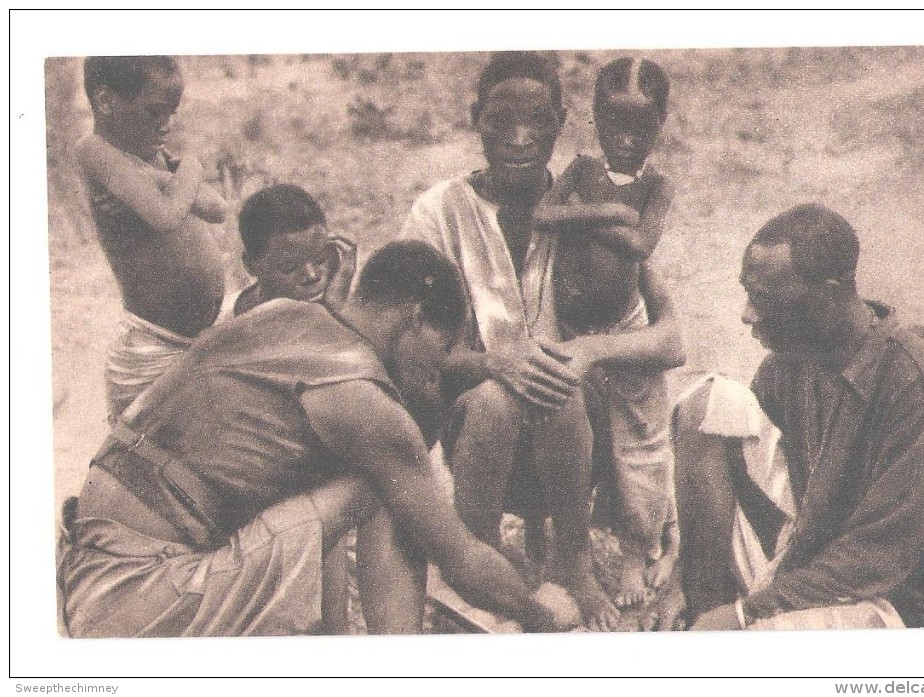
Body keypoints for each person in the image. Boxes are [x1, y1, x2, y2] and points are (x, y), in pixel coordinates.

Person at [58, 240, 579, 637]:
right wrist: (543, 612)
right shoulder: (361, 398)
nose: (435, 372)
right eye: (440, 349)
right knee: (382, 485)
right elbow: (462, 561)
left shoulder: (284, 314)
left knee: (365, 476)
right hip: (142, 598)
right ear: (415, 319)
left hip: (92, 569)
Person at [401, 51, 685, 630]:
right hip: (479, 429)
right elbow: (407, 350)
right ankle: (475, 560)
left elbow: (672, 338)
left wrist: (589, 351)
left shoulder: (586, 206)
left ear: (561, 121)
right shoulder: (439, 213)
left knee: (558, 385)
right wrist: (493, 362)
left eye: (537, 121)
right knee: (496, 397)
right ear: (474, 117)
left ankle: (570, 565)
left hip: (582, 435)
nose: (520, 138)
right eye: (501, 121)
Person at [677, 204, 924, 631]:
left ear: (830, 296)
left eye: (765, 298)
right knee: (707, 405)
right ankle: (700, 605)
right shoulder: (792, 357)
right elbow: (778, 481)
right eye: (747, 291)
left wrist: (745, 614)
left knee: (742, 641)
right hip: (811, 553)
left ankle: (722, 623)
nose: (747, 313)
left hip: (883, 601)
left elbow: (877, 559)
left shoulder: (918, 391)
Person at [532, 56, 679, 609]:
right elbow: (543, 217)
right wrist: (609, 214)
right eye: (615, 122)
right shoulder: (580, 170)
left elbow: (643, 246)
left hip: (624, 326)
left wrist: (590, 215)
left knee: (639, 446)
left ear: (659, 125)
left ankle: (639, 549)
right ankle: (549, 540)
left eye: (641, 126)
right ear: (594, 117)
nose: (626, 137)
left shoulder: (658, 185)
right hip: (565, 321)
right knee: (559, 422)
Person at [78, 56, 228, 421]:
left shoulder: (149, 153)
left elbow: (216, 208)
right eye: (155, 111)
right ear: (105, 101)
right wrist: (190, 167)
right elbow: (165, 216)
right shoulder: (95, 152)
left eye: (172, 112)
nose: (167, 124)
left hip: (194, 340)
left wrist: (165, 180)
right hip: (151, 347)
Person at [229, 183, 357, 317]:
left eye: (321, 260)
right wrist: (333, 308)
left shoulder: (348, 293)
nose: (311, 276)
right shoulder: (251, 314)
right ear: (250, 266)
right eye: (289, 268)